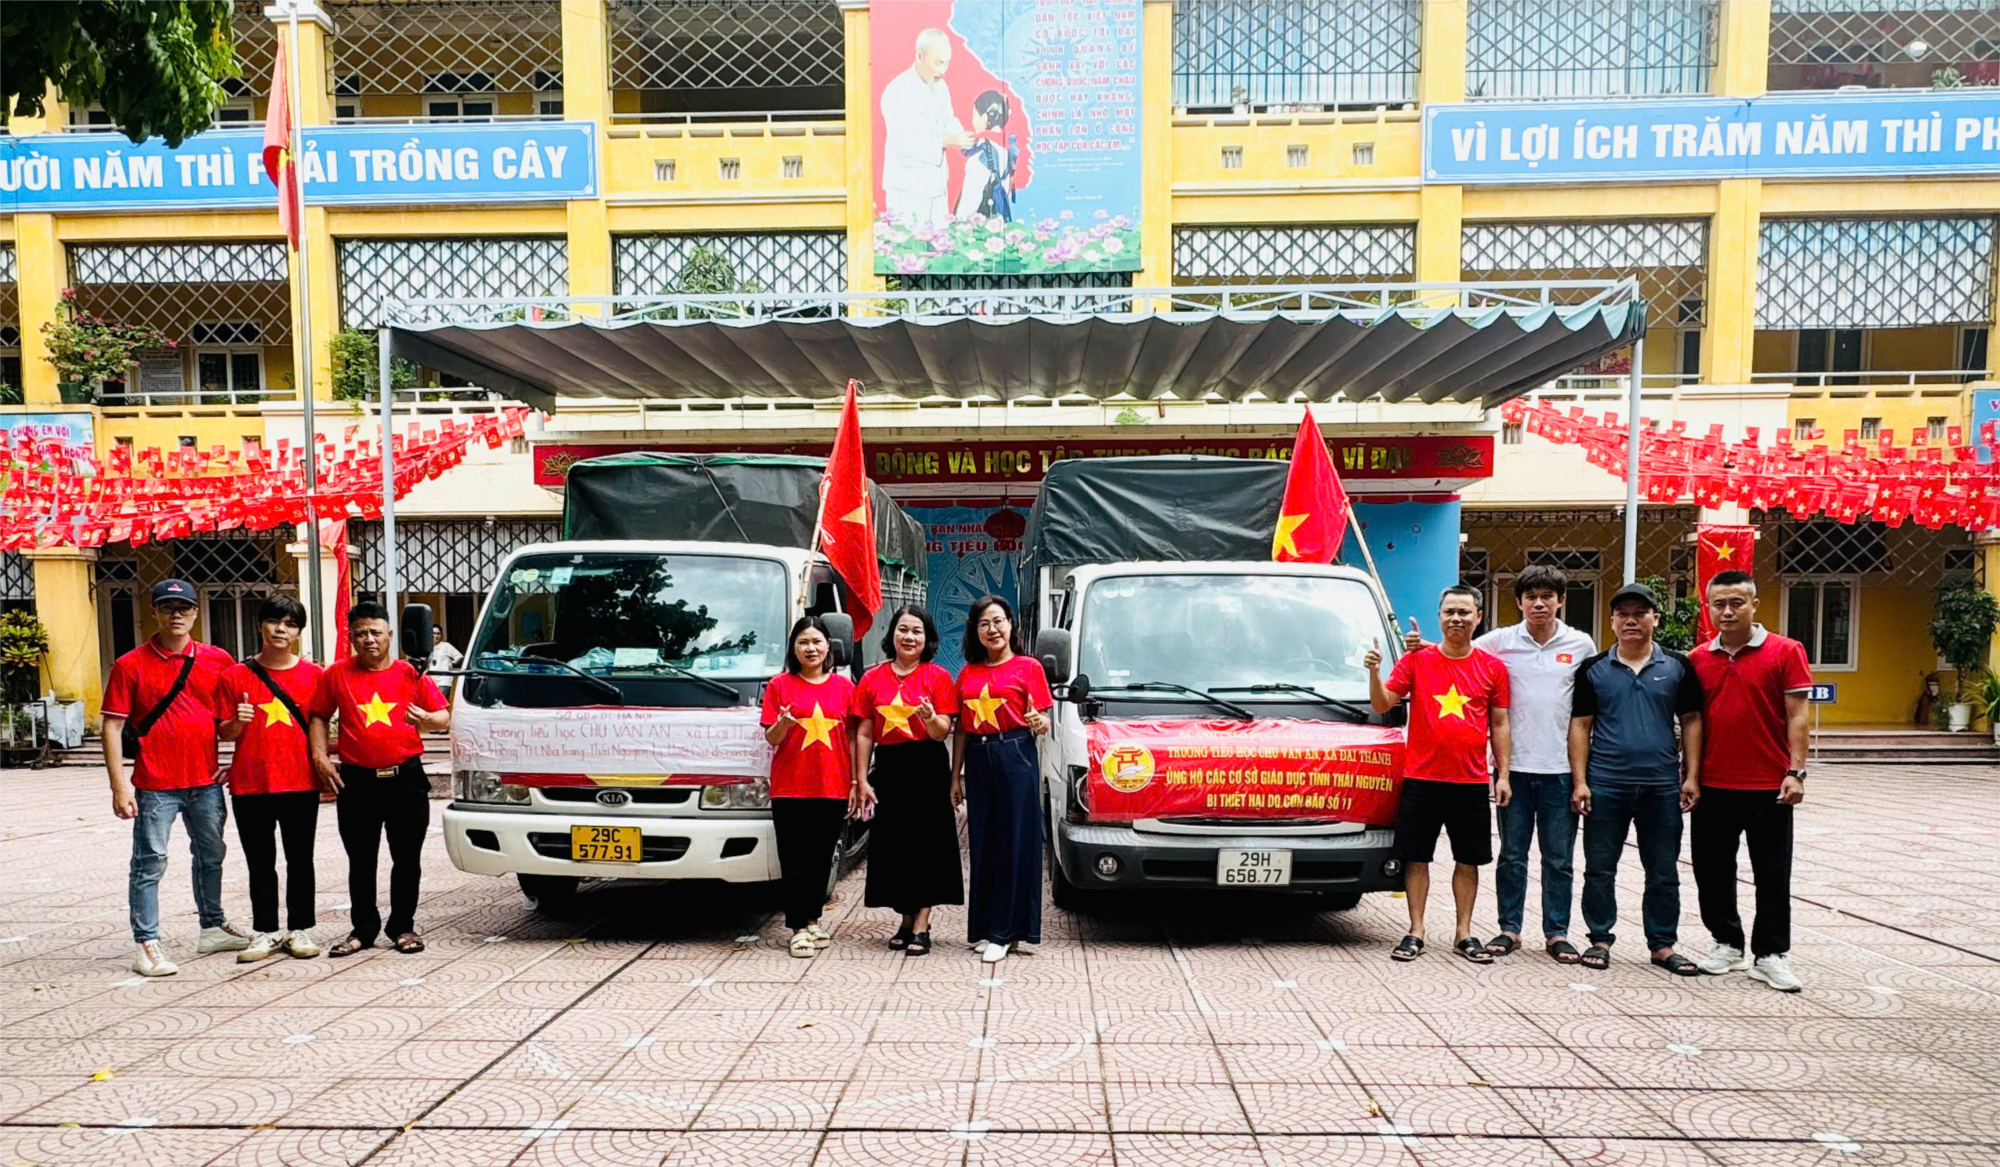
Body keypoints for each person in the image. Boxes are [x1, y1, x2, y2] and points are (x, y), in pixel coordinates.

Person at [101, 579, 249, 976]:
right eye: (167, 607)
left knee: (211, 854)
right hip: (155, 784)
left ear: (196, 612)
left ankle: (212, 926)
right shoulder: (130, 664)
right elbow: (112, 726)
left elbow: (225, 726)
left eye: (183, 607)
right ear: (155, 612)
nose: (176, 614)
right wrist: (119, 786)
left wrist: (236, 750)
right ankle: (146, 941)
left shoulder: (218, 660)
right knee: (149, 862)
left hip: (205, 781)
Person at [1367, 585, 1511, 964]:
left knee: (1469, 859)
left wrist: (1503, 774)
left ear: (1479, 617)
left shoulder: (1493, 668)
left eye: (1464, 612)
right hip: (1422, 779)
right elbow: (1383, 702)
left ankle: (1464, 932)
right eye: (1449, 612)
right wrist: (1374, 672)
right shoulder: (1417, 660)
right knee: (1417, 858)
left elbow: (1500, 723)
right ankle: (1416, 930)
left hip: (1471, 781)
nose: (1456, 619)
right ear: (1439, 617)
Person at [1568, 581, 1705, 976]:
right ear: (1612, 621)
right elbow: (1580, 726)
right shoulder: (1593, 669)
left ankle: (1662, 944)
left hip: (1661, 786)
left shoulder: (1677, 666)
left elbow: (1692, 720)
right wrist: (1581, 781)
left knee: (1663, 870)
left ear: (1655, 619)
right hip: (1607, 783)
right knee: (1599, 867)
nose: (1631, 621)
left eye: (1640, 614)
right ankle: (1599, 939)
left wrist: (1691, 775)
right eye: (1623, 614)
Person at [1688, 570, 1812, 992]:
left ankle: (1770, 954)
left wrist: (1795, 771)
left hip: (1769, 786)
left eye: (1736, 602)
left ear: (1754, 605)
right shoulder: (1697, 659)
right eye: (1719, 604)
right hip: (1713, 784)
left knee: (1772, 873)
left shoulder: (1786, 651)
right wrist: (1691, 777)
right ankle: (1727, 943)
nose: (1727, 611)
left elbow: (1797, 715)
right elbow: (1693, 721)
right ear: (1708, 608)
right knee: (1711, 871)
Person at [1467, 567, 1596, 963]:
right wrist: (1419, 647)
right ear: (1519, 601)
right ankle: (1510, 928)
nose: (1539, 604)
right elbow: (1456, 651)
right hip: (1513, 770)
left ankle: (1557, 932)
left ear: (1561, 600)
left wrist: (1582, 779)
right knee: (1512, 855)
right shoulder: (1499, 642)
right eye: (1531, 597)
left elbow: (1588, 711)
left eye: (1547, 596)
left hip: (1561, 770)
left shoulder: (1581, 645)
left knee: (1559, 858)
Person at [309, 602, 449, 958]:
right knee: (361, 859)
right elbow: (319, 715)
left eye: (375, 632)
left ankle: (403, 926)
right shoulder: (336, 674)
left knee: (407, 859)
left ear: (390, 635)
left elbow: (443, 717)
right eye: (360, 634)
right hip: (358, 782)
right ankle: (363, 929)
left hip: (406, 779)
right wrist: (320, 757)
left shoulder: (410, 673)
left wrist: (425, 719)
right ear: (351, 638)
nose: (368, 639)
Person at [214, 595, 327, 962]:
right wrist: (238, 721)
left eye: (290, 624)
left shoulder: (315, 676)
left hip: (300, 781)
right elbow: (224, 731)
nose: (281, 630)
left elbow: (322, 724)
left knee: (300, 858)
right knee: (259, 861)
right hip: (251, 783)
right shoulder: (234, 675)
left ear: (299, 632)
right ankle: (265, 931)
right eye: (274, 621)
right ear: (260, 625)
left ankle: (300, 929)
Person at [853, 606, 961, 957]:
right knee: (894, 846)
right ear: (892, 635)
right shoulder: (872, 678)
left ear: (927, 639)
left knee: (928, 845)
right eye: (903, 629)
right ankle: (904, 918)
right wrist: (860, 778)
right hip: (889, 767)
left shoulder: (938, 677)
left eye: (917, 631)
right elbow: (865, 732)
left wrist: (930, 718)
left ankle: (922, 924)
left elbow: (942, 731)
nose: (909, 637)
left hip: (927, 766)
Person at [955, 595, 1050, 965]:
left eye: (998, 621)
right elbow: (961, 729)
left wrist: (1040, 722)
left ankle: (1007, 932)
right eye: (983, 624)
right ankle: (985, 927)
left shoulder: (1029, 667)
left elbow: (1042, 718)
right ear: (975, 631)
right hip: (978, 758)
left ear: (1011, 624)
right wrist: (955, 776)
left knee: (1014, 843)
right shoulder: (968, 673)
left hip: (1015, 755)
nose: (992, 629)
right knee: (983, 843)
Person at [762, 616, 858, 959]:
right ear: (793, 648)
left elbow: (853, 737)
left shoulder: (845, 688)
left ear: (828, 646)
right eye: (803, 642)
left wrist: (855, 782)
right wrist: (783, 724)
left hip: (832, 785)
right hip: (790, 787)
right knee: (793, 859)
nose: (811, 648)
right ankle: (798, 928)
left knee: (821, 858)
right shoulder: (779, 685)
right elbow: (771, 737)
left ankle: (813, 919)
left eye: (817, 641)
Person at [881, 28, 973, 228]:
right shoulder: (898, 90)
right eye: (938, 63)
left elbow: (948, 119)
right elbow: (903, 142)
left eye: (947, 63)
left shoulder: (940, 86)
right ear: (919, 56)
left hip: (936, 186)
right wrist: (946, 141)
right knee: (909, 242)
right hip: (907, 187)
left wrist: (962, 136)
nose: (943, 70)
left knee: (940, 242)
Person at [953, 90, 1016, 221]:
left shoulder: (981, 153)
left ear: (985, 118)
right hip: (998, 221)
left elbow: (969, 202)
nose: (973, 121)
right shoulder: (1005, 150)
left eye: (975, 116)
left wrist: (958, 223)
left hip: (978, 225)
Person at [428, 628, 463, 697]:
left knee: (442, 701)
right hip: (431, 680)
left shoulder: (446, 646)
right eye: (434, 633)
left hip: (444, 680)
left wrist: (452, 664)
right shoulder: (427, 647)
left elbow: (459, 656)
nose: (436, 636)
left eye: (438, 633)